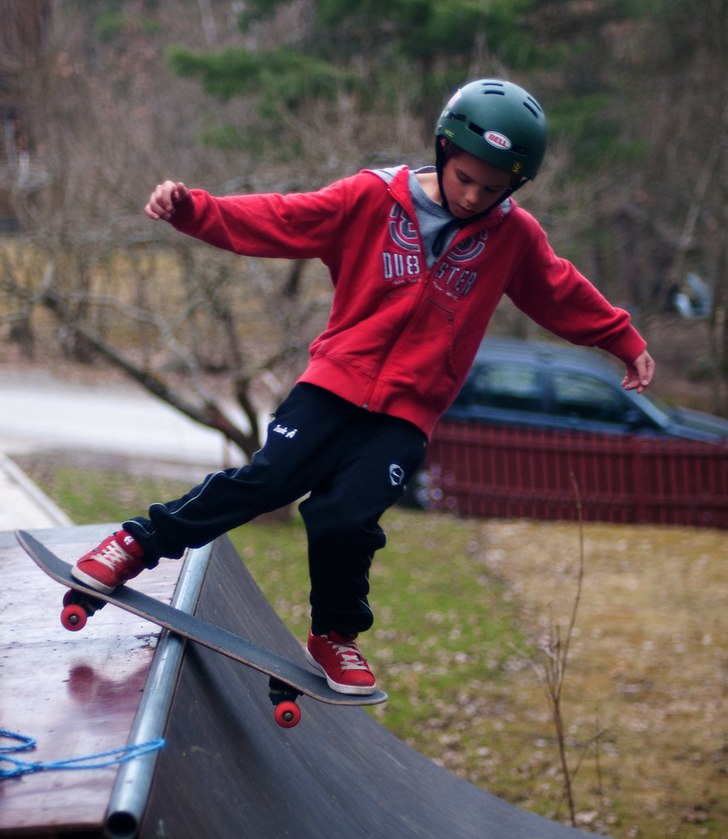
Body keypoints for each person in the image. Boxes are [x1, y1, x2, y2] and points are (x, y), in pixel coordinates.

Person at [71, 79, 655, 695]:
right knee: (268, 481)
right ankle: (137, 542)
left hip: (406, 413)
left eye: (492, 189)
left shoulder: (514, 237)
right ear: (442, 151)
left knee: (347, 518)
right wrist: (194, 211)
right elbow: (282, 219)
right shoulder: (369, 198)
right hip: (332, 384)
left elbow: (557, 290)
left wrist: (622, 339)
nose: (473, 197)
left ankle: (334, 636)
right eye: (464, 178)